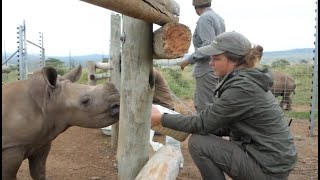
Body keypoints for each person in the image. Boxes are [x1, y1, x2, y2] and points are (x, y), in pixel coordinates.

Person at [151, 31, 298, 180]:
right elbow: (223, 124)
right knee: (202, 134)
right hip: (269, 160)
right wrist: (199, 125)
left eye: (216, 58)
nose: (210, 63)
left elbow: (201, 123)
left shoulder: (242, 87)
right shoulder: (244, 80)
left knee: (198, 143)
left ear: (233, 61)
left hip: (268, 168)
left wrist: (161, 119)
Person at [180, 0, 225, 113]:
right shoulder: (219, 18)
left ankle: (205, 131)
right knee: (214, 103)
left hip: (206, 69)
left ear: (195, 7)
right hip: (216, 67)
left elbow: (208, 45)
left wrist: (188, 60)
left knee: (204, 107)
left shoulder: (204, 18)